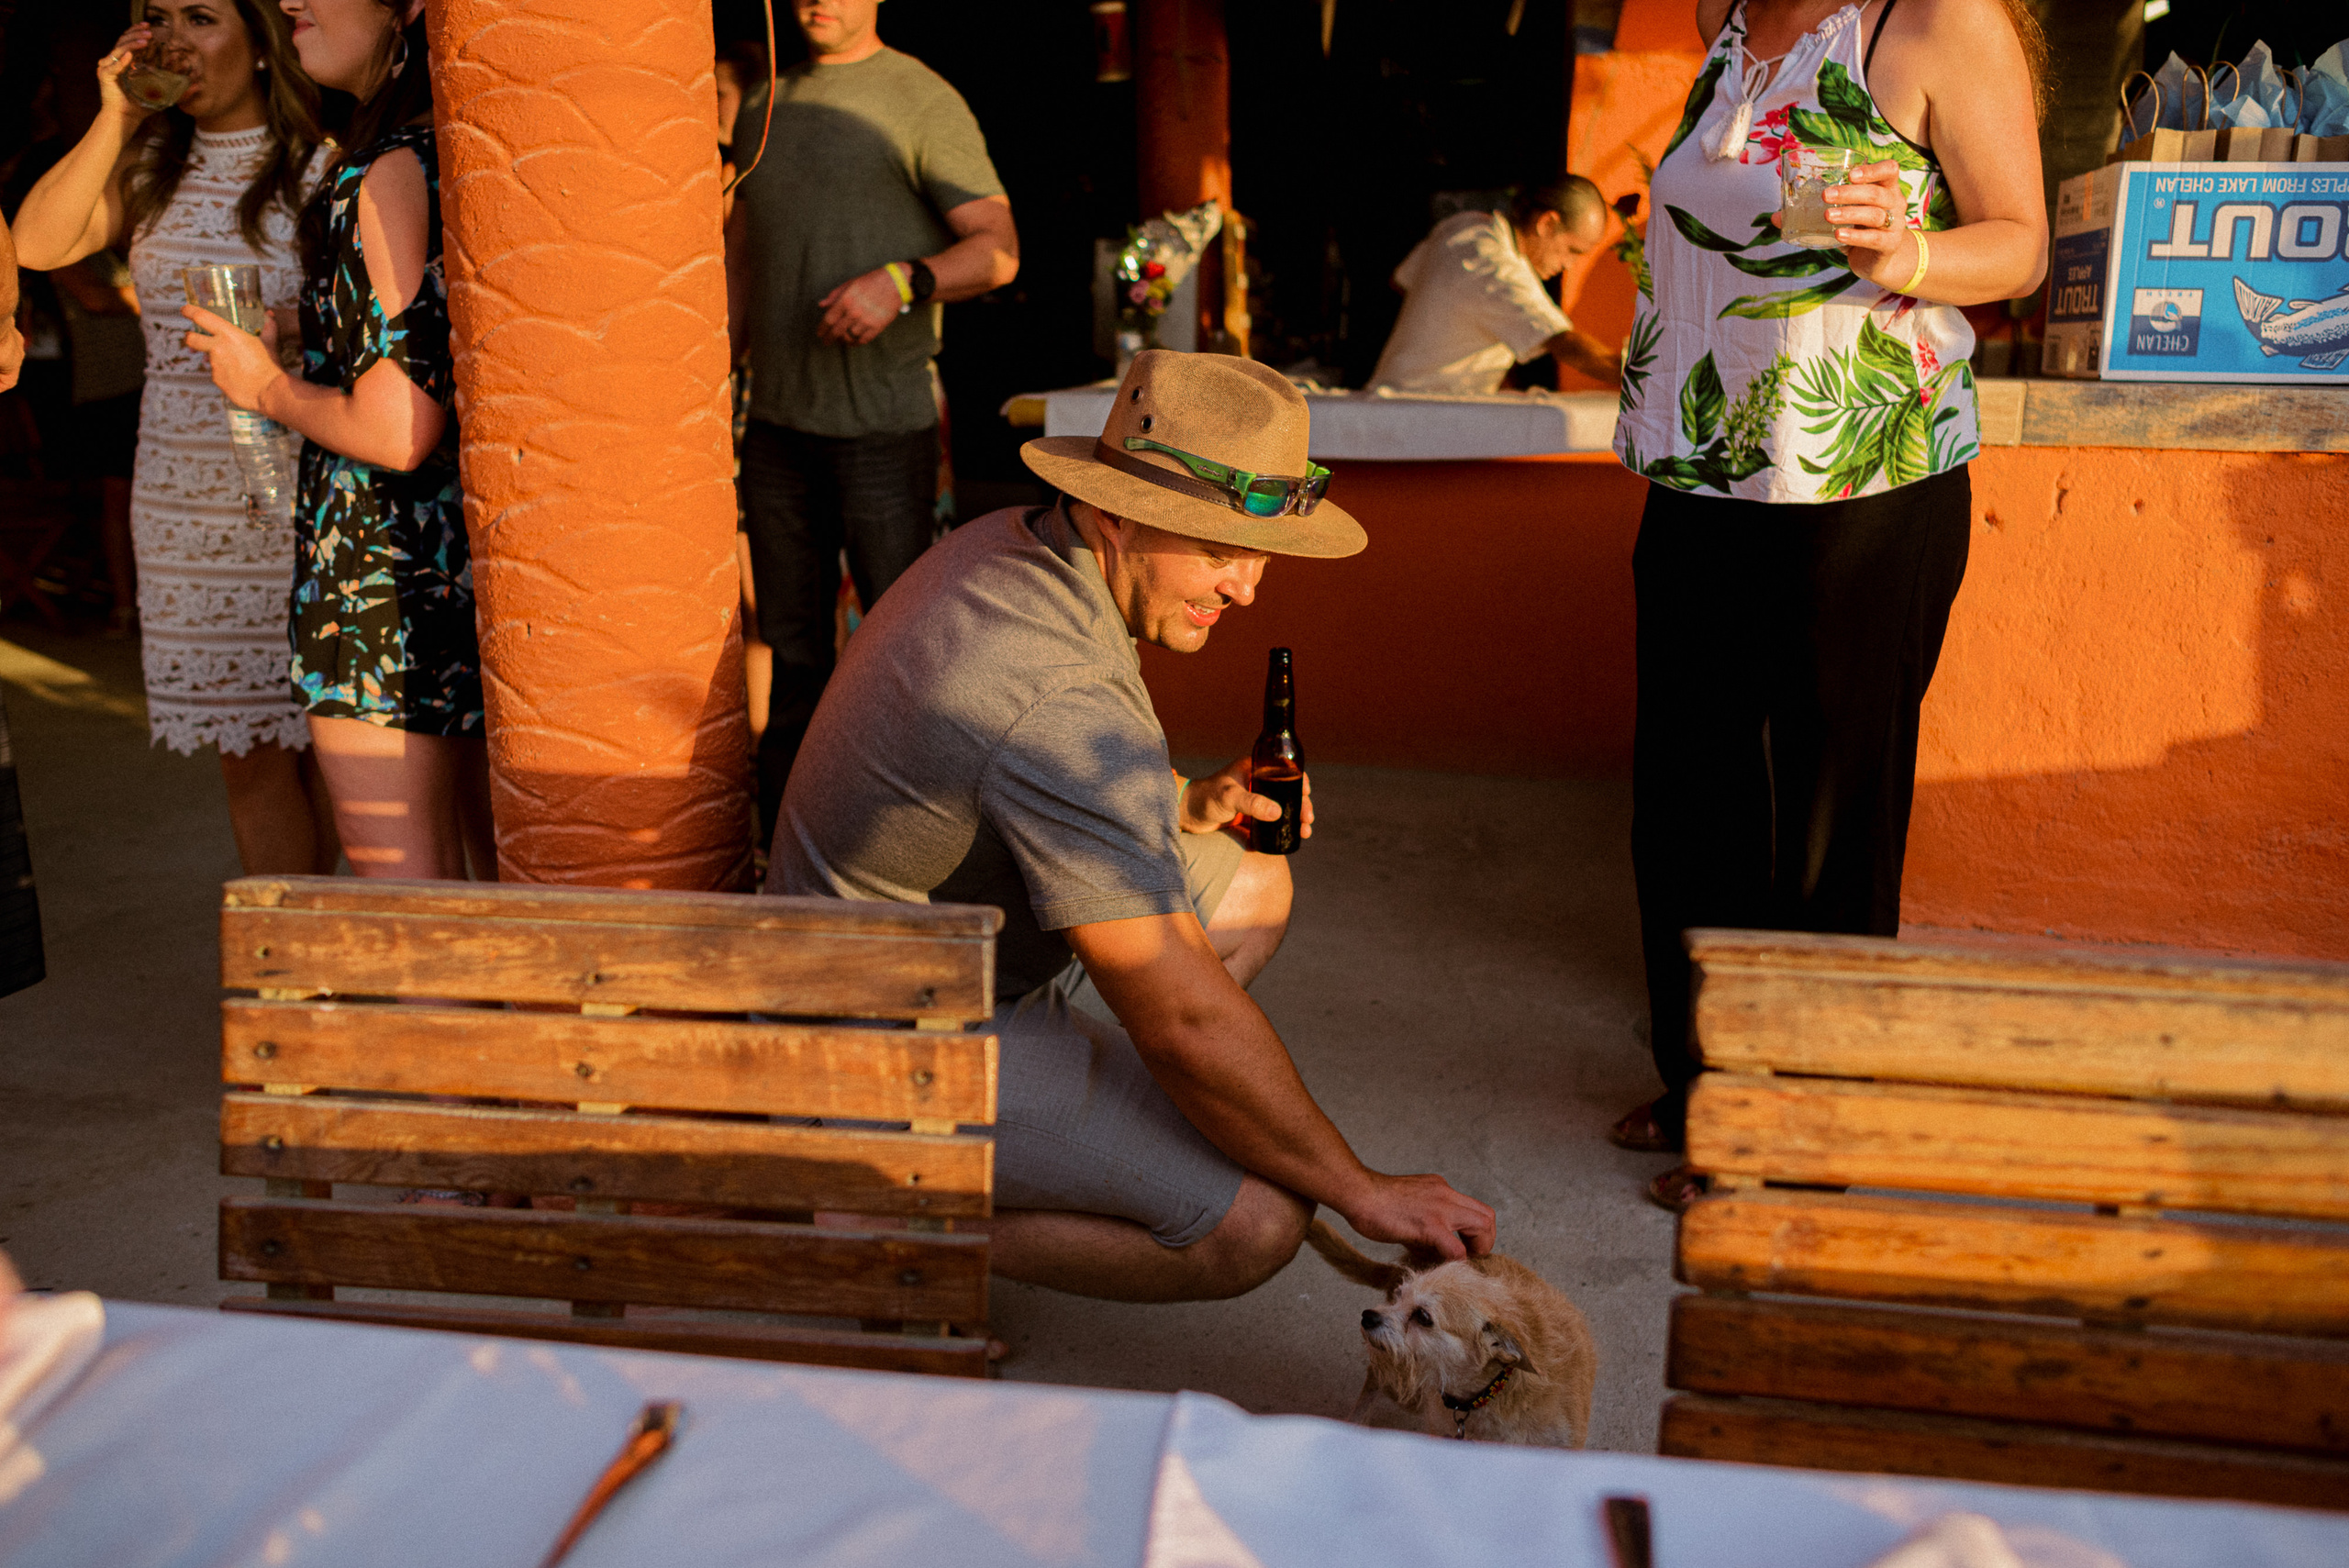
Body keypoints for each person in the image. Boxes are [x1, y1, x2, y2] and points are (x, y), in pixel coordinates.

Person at [771, 350, 1497, 1301]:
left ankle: (1116, 1099)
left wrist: (1183, 803)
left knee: (1249, 879)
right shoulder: (1058, 687)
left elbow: (1014, 765)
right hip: (877, 1038)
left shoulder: (1019, 542)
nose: (1247, 587)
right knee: (1262, 1215)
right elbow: (1183, 1014)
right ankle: (866, 1214)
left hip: (900, 951)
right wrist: (1360, 1188)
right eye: (1216, 548)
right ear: (1115, 509)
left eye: (1258, 550)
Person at [1608, 0, 2046, 1208]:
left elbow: (2020, 244)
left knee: (1827, 819)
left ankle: (1798, 1132)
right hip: (1702, 467)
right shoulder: (1726, 18)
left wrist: (1907, 255)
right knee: (1685, 799)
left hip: (1865, 473)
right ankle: (1707, 1083)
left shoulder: (1934, 22)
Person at [9, 0, 339, 874]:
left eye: (204, 16)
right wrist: (116, 115)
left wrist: (291, 323)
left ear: (265, 45)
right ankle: (290, 983)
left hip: (304, 490)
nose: (177, 40)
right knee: (251, 760)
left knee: (343, 757)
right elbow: (38, 244)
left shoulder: (324, 167)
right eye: (161, 18)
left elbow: (380, 316)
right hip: (183, 505)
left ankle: (330, 957)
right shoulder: (150, 164)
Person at [184, 0, 491, 882]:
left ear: (406, 9)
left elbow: (395, 427)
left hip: (379, 578)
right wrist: (311, 324)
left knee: (404, 895)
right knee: (486, 893)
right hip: (448, 564)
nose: (289, 2)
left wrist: (266, 386)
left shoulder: (390, 168)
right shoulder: (443, 148)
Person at [724, 0, 1020, 842]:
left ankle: (904, 851)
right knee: (789, 656)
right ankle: (786, 857)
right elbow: (743, 253)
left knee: (902, 653)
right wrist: (714, 378)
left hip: (883, 432)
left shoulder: (922, 99)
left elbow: (999, 247)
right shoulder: (763, 104)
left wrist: (903, 281)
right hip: (776, 426)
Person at [1367, 178, 1623, 395]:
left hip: (1394, 401)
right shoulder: (1500, 269)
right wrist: (1643, 378)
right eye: (1571, 250)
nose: (1568, 264)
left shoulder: (1464, 226)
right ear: (1547, 224)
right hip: (1417, 416)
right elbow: (1564, 344)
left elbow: (1401, 282)